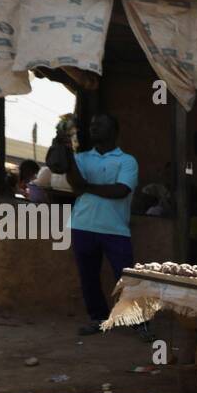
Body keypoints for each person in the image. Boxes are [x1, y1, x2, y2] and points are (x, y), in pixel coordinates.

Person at [64, 114, 139, 336]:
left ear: (114, 131)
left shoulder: (127, 160)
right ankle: (98, 319)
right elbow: (75, 185)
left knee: (126, 277)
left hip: (115, 228)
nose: (94, 127)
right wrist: (68, 154)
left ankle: (137, 320)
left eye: (100, 125)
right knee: (88, 277)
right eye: (92, 124)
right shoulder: (82, 158)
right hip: (83, 225)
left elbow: (121, 190)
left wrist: (86, 187)